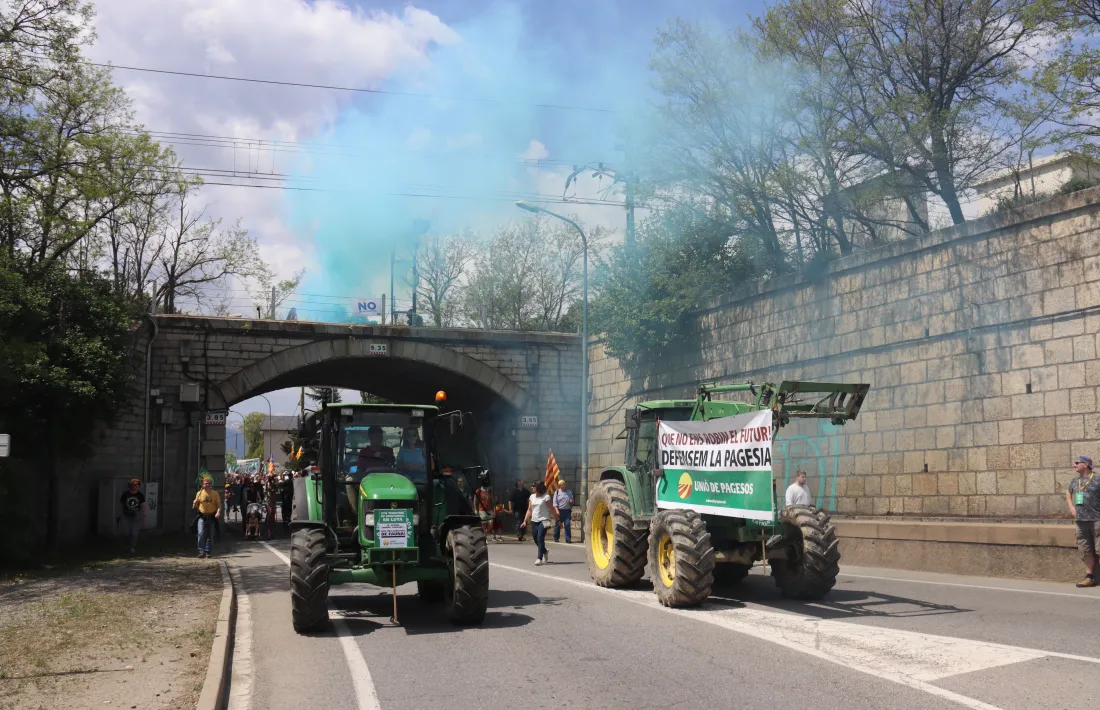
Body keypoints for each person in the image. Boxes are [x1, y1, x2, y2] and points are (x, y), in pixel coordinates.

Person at [1067, 455, 1100, 588]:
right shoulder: (1076, 481)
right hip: (1081, 521)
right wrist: (1071, 507)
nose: (1074, 465)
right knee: (1085, 549)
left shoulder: (1097, 478)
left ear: (1086, 464)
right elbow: (1068, 493)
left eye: (1077, 463)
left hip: (1097, 519)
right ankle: (1089, 577)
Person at [524, 481, 557, 565]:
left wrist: (558, 520)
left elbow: (552, 509)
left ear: (538, 487)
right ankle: (545, 551)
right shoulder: (532, 497)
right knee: (535, 539)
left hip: (544, 520)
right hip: (534, 521)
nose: (532, 487)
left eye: (533, 486)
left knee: (540, 538)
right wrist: (525, 521)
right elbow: (529, 510)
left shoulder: (546, 497)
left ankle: (539, 558)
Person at [193, 477, 222, 558]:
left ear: (211, 484)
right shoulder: (199, 493)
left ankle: (208, 551)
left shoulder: (215, 493)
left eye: (209, 483)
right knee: (200, 533)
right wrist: (195, 502)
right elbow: (196, 504)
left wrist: (218, 512)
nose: (207, 485)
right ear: (203, 484)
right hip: (202, 516)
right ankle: (201, 551)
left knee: (210, 535)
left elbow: (219, 504)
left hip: (211, 516)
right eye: (206, 483)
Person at [117, 478, 146, 554]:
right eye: (134, 485)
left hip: (136, 514)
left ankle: (131, 547)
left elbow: (143, 505)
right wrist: (118, 512)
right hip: (126, 514)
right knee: (125, 532)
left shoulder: (140, 495)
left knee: (133, 533)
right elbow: (121, 503)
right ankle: (125, 546)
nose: (136, 486)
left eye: (137, 485)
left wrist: (143, 514)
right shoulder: (125, 494)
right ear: (130, 485)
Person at [473, 475, 497, 540]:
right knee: (484, 525)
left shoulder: (489, 491)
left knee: (491, 523)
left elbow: (492, 501)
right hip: (482, 510)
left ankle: (485, 534)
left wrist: (494, 509)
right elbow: (475, 500)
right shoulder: (479, 491)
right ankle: (484, 538)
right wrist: (475, 509)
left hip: (489, 510)